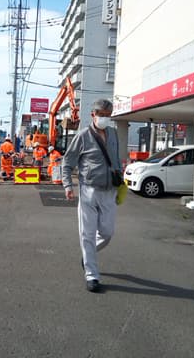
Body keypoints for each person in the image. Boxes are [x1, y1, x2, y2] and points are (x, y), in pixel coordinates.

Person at [62, 98, 121, 293]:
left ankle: (88, 255)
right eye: (101, 115)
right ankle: (91, 275)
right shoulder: (83, 136)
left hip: (109, 191)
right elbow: (67, 162)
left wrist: (120, 181)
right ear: (93, 115)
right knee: (87, 234)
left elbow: (116, 159)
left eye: (108, 115)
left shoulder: (113, 134)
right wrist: (68, 185)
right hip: (88, 190)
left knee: (107, 233)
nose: (104, 118)